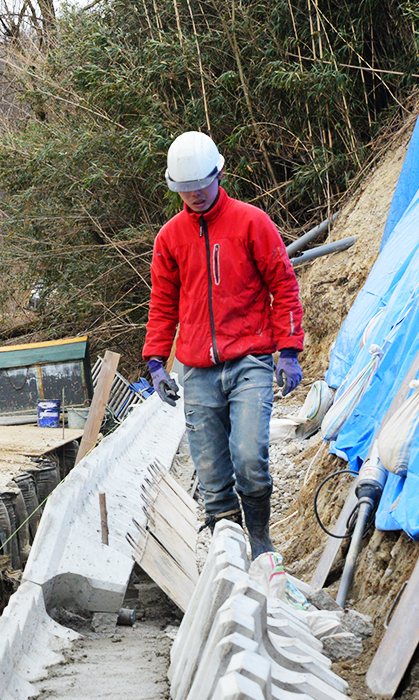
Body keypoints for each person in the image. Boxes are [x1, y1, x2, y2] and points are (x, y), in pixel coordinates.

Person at [143, 131, 304, 560]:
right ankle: (226, 555)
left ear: (218, 173)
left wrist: (287, 350)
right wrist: (157, 361)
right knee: (211, 473)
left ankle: (260, 538)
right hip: (197, 369)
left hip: (249, 360)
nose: (194, 196)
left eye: (200, 187)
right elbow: (162, 304)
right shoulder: (170, 239)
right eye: (185, 191)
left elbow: (283, 286)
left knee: (249, 457)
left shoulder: (251, 222)